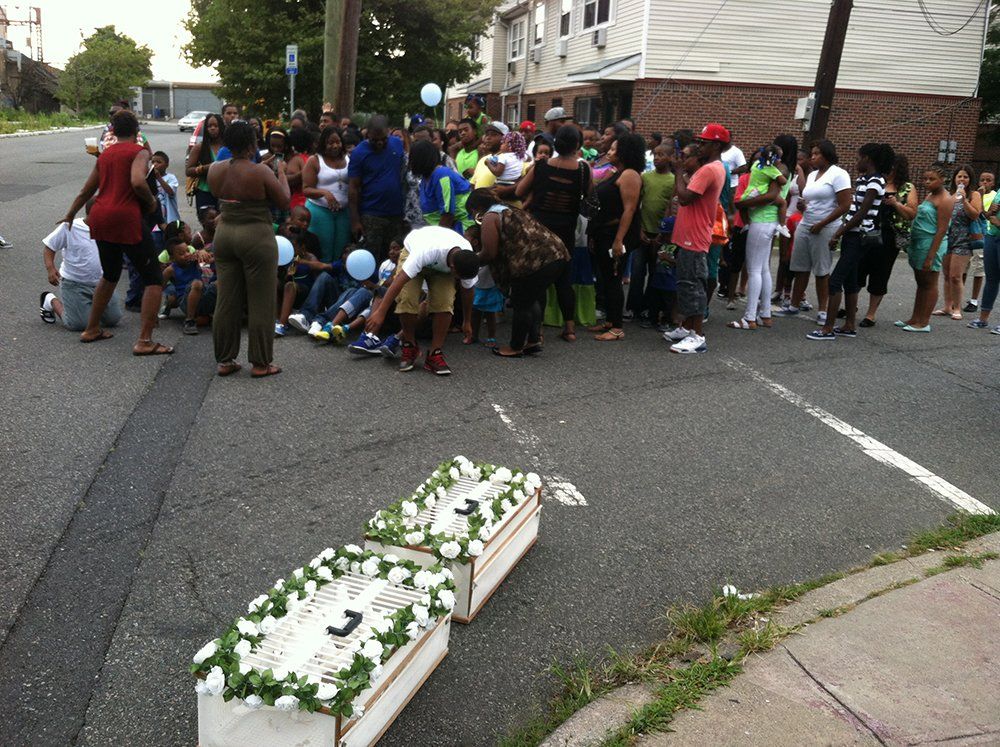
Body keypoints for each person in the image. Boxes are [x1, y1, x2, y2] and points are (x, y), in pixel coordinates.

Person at [60, 110, 168, 353]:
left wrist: (70, 214)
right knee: (153, 278)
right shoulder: (139, 152)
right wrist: (151, 202)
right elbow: (138, 181)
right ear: (136, 131)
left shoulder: (106, 155)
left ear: (112, 132)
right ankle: (145, 341)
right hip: (125, 217)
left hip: (100, 217)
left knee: (110, 274)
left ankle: (91, 329)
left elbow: (86, 190)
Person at [207, 120, 290, 377]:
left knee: (227, 300)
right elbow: (284, 201)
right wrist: (282, 173)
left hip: (225, 234)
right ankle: (261, 362)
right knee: (261, 301)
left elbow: (224, 192)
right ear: (253, 143)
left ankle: (225, 360)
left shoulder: (215, 169)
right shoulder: (262, 172)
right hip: (256, 235)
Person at [465, 189, 571, 357]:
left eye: (472, 213)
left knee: (521, 302)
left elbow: (489, 252)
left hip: (532, 262)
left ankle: (515, 347)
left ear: (476, 208)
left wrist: (471, 262)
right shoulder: (510, 209)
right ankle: (533, 340)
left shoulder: (490, 216)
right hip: (556, 254)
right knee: (531, 298)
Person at [364, 225, 479, 375]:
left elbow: (468, 291)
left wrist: (467, 321)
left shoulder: (467, 259)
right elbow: (399, 282)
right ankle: (409, 345)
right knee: (407, 299)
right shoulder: (426, 252)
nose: (458, 280)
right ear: (452, 268)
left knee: (445, 302)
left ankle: (434, 353)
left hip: (442, 265)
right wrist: (380, 312)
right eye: (457, 277)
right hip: (415, 250)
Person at [808, 143, 894, 341]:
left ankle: (827, 329)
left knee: (835, 281)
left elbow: (862, 212)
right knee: (851, 280)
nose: (857, 161)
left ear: (868, 160)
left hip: (860, 236)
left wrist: (838, 232)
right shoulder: (864, 179)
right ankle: (849, 325)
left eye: (859, 158)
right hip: (852, 234)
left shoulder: (875, 181)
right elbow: (855, 210)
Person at [515, 124, 589, 343]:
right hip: (566, 230)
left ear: (556, 143)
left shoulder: (541, 166)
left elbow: (519, 191)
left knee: (539, 279)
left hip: (540, 230)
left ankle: (537, 332)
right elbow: (589, 196)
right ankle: (570, 328)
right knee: (563, 280)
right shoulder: (584, 170)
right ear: (577, 145)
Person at [662, 124, 728, 354]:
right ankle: (686, 327)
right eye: (699, 141)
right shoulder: (713, 167)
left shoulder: (709, 170)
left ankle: (697, 335)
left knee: (692, 286)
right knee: (686, 283)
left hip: (694, 237)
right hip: (690, 234)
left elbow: (686, 197)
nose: (700, 146)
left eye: (704, 142)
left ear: (716, 145)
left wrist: (679, 171)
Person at [780, 139, 852, 322]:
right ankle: (794, 305)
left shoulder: (839, 174)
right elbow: (811, 199)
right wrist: (804, 206)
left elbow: (845, 205)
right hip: (806, 224)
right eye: (812, 154)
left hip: (825, 227)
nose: (812, 157)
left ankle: (823, 310)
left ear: (827, 154)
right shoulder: (812, 175)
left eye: (816, 154)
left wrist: (822, 223)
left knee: (821, 270)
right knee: (800, 267)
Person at [587, 133, 644, 341]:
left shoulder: (630, 175)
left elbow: (629, 210)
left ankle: (617, 328)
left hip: (615, 234)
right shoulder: (616, 172)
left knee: (613, 278)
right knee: (606, 277)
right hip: (603, 232)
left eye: (613, 149)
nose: (609, 152)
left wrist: (619, 240)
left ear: (624, 152)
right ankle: (610, 320)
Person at [728, 145, 791, 330]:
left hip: (761, 221)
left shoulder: (770, 170)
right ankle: (765, 314)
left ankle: (749, 318)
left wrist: (743, 204)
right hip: (770, 222)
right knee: (763, 269)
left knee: (754, 269)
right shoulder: (778, 171)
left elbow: (772, 195)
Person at [39, 199, 123, 331]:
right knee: (78, 325)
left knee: (113, 319)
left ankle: (85, 307)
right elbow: (50, 247)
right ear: (91, 215)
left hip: (102, 283)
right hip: (75, 283)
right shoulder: (70, 226)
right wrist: (50, 269)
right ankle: (51, 301)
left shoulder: (109, 228)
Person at [858, 154, 917, 326]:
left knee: (880, 273)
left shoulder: (907, 188)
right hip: (868, 230)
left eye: (891, 167)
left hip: (888, 236)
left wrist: (896, 203)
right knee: (858, 269)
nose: (887, 170)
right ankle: (850, 305)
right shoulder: (875, 182)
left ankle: (871, 314)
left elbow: (911, 214)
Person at [897, 163, 951, 332]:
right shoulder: (930, 195)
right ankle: (915, 318)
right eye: (925, 179)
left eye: (932, 179)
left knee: (930, 283)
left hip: (931, 243)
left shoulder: (946, 199)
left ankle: (924, 322)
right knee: (921, 283)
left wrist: (931, 255)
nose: (927, 182)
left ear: (943, 180)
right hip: (919, 242)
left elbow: (942, 229)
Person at [348, 115, 407, 262]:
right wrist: (355, 220)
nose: (380, 143)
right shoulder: (359, 153)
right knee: (370, 258)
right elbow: (353, 188)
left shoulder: (397, 144)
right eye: (375, 140)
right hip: (372, 214)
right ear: (367, 134)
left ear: (388, 132)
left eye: (383, 139)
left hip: (396, 213)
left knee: (394, 259)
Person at [632, 143, 676, 323]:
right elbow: (637, 203)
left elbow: (670, 207)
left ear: (671, 158)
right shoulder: (645, 177)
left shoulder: (673, 180)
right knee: (637, 271)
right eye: (655, 154)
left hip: (661, 235)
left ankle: (649, 309)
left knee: (655, 273)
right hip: (643, 231)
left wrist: (662, 233)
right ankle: (632, 307)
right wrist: (639, 228)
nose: (657, 158)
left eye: (662, 155)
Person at [933, 164, 982, 320]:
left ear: (970, 179)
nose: (962, 179)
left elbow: (974, 214)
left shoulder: (974, 195)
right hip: (948, 237)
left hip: (964, 239)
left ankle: (957, 308)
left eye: (965, 177)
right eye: (959, 176)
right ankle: (947, 306)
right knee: (947, 275)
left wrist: (964, 200)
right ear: (954, 178)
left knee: (956, 275)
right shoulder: (949, 194)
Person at [303, 126, 351, 263]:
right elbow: (306, 189)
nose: (335, 146)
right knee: (324, 250)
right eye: (330, 143)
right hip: (320, 210)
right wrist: (325, 193)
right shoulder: (315, 160)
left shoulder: (348, 158)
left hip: (343, 212)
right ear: (323, 143)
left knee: (341, 250)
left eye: (338, 142)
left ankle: (337, 281)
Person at [409, 140, 473, 232]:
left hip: (462, 230)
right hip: (443, 229)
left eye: (412, 159)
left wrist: (439, 239)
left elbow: (447, 213)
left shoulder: (442, 175)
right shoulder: (425, 178)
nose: (410, 163)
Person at [162, 237, 210, 335]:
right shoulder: (170, 270)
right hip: (185, 300)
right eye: (181, 254)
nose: (187, 254)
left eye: (187, 251)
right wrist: (152, 317)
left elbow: (210, 257)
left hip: (202, 295)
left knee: (218, 284)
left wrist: (202, 252)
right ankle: (189, 321)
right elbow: (158, 288)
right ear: (172, 258)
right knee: (196, 283)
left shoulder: (194, 261)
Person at [971, 175, 1000, 332]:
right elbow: (987, 215)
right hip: (991, 237)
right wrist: (991, 212)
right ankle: (983, 319)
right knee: (991, 279)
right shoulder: (999, 192)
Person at [186, 113, 225, 215]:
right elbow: (188, 170)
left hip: (224, 192)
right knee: (208, 223)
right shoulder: (199, 147)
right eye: (209, 126)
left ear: (221, 127)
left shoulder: (228, 147)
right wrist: (206, 168)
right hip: (205, 192)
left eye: (216, 126)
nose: (212, 128)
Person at [966, 171, 995, 312]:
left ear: (993, 183)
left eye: (988, 180)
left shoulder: (994, 196)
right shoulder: (973, 194)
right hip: (968, 234)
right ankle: (956, 299)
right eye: (982, 179)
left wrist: (981, 195)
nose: (985, 182)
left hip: (984, 235)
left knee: (978, 269)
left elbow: (985, 214)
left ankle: (974, 300)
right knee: (963, 268)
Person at [285, 127, 314, 211]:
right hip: (306, 202)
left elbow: (288, 180)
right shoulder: (308, 158)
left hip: (302, 202)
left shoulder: (296, 159)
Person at [151, 151, 180, 224]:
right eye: (153, 162)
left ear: (166, 165)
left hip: (170, 219)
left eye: (158, 162)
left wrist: (159, 178)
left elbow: (171, 192)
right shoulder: (150, 179)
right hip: (155, 221)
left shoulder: (171, 178)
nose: (155, 164)